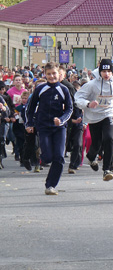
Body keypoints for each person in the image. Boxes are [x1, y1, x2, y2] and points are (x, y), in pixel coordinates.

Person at [74, 59, 113, 182]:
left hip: (109, 114)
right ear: (100, 72)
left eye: (109, 71)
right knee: (96, 143)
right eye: (104, 71)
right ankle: (91, 156)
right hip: (93, 116)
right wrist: (88, 104)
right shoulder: (92, 84)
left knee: (109, 138)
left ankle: (107, 169)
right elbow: (78, 97)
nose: (106, 74)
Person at [25, 62, 73, 195]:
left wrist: (61, 120)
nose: (52, 76)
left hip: (59, 128)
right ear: (45, 75)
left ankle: (50, 185)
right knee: (47, 158)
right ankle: (42, 156)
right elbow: (30, 108)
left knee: (59, 157)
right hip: (43, 127)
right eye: (49, 74)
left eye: (54, 74)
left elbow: (69, 109)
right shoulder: (40, 89)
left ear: (59, 74)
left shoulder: (64, 90)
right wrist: (29, 124)